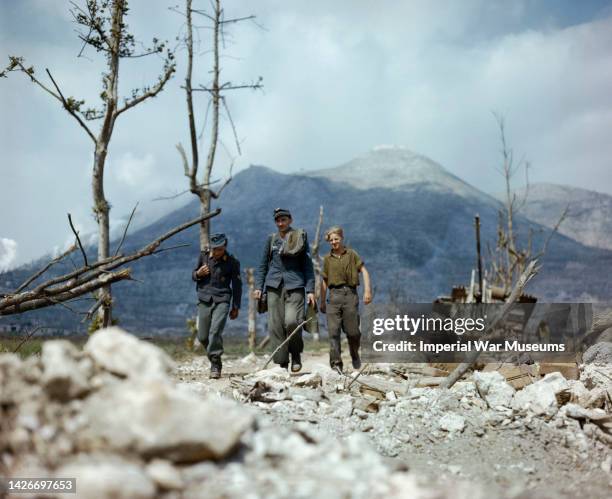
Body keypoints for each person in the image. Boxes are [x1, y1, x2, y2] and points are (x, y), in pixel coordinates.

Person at [254, 208, 315, 372]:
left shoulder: (299, 237)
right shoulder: (271, 240)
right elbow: (262, 265)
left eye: (284, 220)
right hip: (274, 287)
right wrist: (259, 287)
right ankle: (282, 363)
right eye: (278, 220)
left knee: (292, 321)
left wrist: (310, 290)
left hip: (295, 285)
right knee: (276, 326)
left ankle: (296, 355)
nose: (281, 223)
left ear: (290, 220)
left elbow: (307, 265)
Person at [320, 226, 372, 372]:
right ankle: (336, 364)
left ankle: (354, 352)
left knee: (353, 332)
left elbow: (364, 271)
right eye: (331, 240)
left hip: (350, 295)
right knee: (333, 332)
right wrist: (322, 301)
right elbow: (324, 280)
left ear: (342, 238)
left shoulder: (352, 254)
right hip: (333, 296)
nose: (334, 242)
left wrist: (367, 291)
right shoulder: (327, 259)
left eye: (336, 239)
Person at [192, 233, 242, 379]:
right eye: (214, 249)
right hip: (204, 299)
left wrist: (236, 306)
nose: (216, 252)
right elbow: (193, 275)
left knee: (215, 332)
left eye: (219, 249)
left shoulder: (232, 262)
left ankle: (215, 364)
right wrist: (198, 273)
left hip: (222, 299)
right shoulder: (204, 257)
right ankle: (215, 357)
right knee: (202, 336)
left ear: (225, 247)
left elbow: (237, 285)